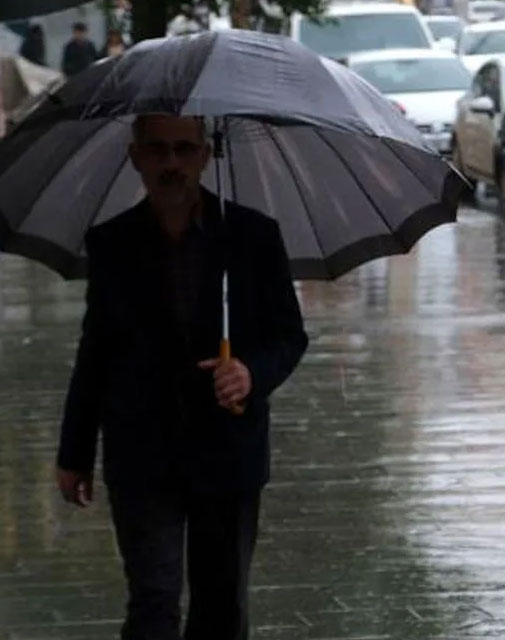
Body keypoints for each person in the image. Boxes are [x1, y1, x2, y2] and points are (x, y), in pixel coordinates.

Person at [56, 114, 308, 638]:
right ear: (136, 157)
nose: (171, 163)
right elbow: (96, 350)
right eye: (157, 151)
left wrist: (249, 373)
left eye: (183, 149)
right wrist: (74, 452)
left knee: (221, 606)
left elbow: (289, 335)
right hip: (141, 451)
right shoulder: (111, 243)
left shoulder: (252, 236)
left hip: (228, 449)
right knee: (153, 597)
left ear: (204, 155)